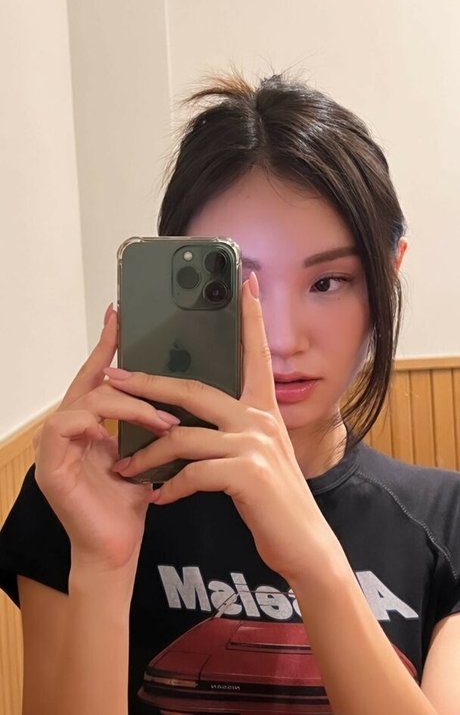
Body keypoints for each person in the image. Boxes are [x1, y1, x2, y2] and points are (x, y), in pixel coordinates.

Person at [1, 72, 459, 715]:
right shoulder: (81, 499)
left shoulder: (446, 519)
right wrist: (102, 571)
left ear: (389, 273)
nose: (283, 340)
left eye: (329, 282)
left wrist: (316, 565)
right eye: (239, 285)